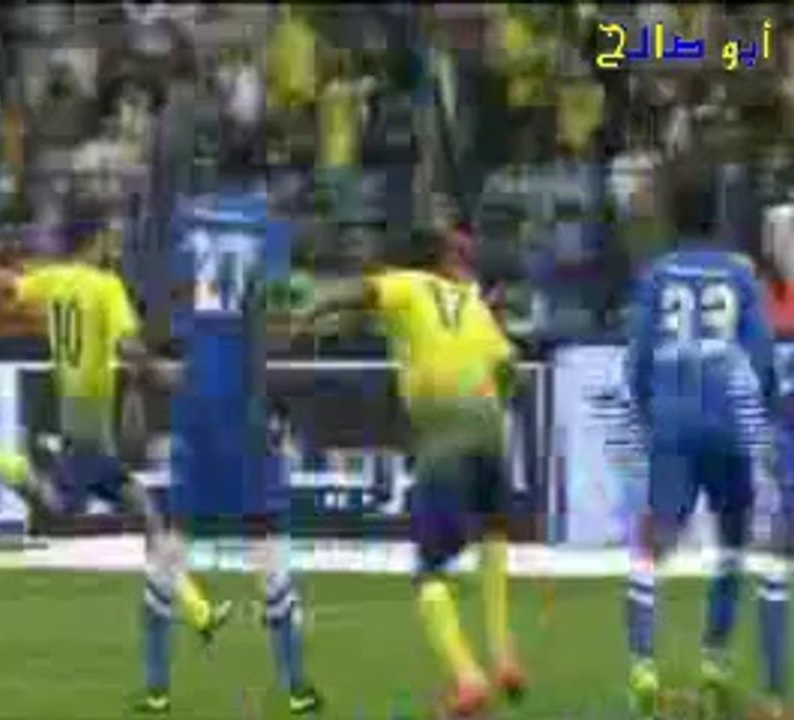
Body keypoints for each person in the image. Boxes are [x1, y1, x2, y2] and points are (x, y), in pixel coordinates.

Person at [0, 215, 232, 712]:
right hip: (88, 427)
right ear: (96, 240)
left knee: (144, 514)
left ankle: (202, 614)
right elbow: (128, 346)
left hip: (82, 422)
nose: (114, 245)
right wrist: (161, 373)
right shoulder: (106, 286)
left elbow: (10, 289)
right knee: (67, 505)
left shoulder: (53, 280)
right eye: (110, 238)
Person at [295, 222, 527, 717]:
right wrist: (494, 400)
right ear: (445, 260)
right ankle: (503, 653)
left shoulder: (409, 284)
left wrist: (312, 310)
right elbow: (510, 365)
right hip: (489, 426)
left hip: (444, 434)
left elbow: (362, 292)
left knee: (428, 571)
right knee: (493, 533)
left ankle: (468, 679)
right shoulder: (474, 303)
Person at [141, 191, 322, 716]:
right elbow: (265, 325)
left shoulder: (185, 217)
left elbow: (164, 310)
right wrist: (264, 406)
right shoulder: (270, 226)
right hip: (243, 410)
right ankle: (296, 687)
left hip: (197, 407)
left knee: (172, 549)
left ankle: (156, 690)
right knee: (269, 550)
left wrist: (158, 362)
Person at [623, 164, 789, 719]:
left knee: (651, 544)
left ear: (672, 217)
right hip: (728, 423)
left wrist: (648, 411)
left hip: (674, 421)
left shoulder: (657, 275)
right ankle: (715, 663)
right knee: (733, 544)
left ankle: (644, 667)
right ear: (718, 213)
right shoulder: (740, 276)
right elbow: (761, 354)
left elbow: (638, 354)